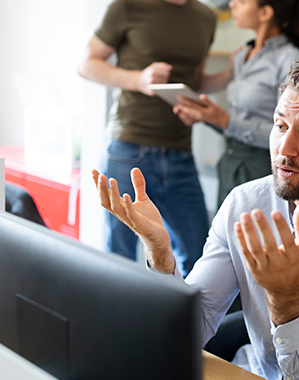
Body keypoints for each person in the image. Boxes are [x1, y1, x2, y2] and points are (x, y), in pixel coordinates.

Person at [94, 56, 299, 380]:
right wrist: (160, 253)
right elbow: (190, 327)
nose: (285, 149)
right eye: (280, 126)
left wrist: (288, 298)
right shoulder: (244, 203)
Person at [77, 0, 216, 274]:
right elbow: (86, 64)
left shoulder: (206, 17)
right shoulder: (127, 6)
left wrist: (233, 73)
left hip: (181, 152)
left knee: (200, 257)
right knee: (120, 257)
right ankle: (122, 318)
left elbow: (196, 82)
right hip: (128, 149)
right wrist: (139, 79)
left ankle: (181, 318)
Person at [172, 0, 299, 208]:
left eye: (241, 1)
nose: (232, 4)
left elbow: (289, 135)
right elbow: (237, 122)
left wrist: (226, 121)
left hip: (262, 170)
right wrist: (207, 118)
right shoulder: (241, 56)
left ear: (265, 12)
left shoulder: (292, 62)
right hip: (230, 162)